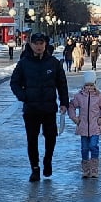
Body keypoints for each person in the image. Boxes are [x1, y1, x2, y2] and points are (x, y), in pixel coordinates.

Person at [10, 33, 69, 181]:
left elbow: (62, 84)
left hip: (49, 108)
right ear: (30, 44)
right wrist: (23, 96)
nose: (38, 46)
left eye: (41, 43)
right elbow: (14, 82)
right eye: (35, 43)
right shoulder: (24, 63)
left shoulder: (53, 63)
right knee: (32, 139)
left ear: (45, 44)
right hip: (31, 109)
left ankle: (48, 160)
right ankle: (35, 168)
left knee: (51, 137)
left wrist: (64, 102)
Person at [67, 70, 101, 178]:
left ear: (94, 84)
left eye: (91, 85)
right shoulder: (79, 96)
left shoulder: (99, 96)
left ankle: (94, 168)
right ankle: (86, 169)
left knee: (93, 146)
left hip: (95, 126)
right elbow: (72, 106)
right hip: (83, 127)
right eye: (87, 85)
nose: (89, 87)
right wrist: (74, 118)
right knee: (84, 148)